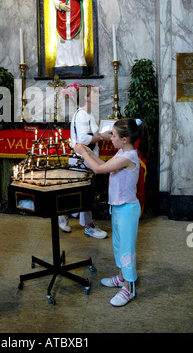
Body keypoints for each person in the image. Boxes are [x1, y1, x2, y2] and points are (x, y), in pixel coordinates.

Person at [74, 117, 150, 307]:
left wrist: (83, 153)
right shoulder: (122, 153)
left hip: (127, 210)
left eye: (113, 135)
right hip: (118, 207)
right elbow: (105, 166)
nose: (110, 138)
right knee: (118, 245)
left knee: (127, 249)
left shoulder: (129, 157)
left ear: (125, 139)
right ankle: (121, 277)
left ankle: (129, 287)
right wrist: (90, 152)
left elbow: (99, 170)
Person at [59, 85, 111, 238]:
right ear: (86, 98)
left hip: (86, 157)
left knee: (79, 193)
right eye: (94, 94)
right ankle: (89, 226)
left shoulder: (87, 113)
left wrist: (103, 134)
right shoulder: (82, 114)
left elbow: (94, 133)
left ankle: (62, 215)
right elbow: (83, 139)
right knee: (85, 193)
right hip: (82, 158)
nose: (97, 97)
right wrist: (101, 137)